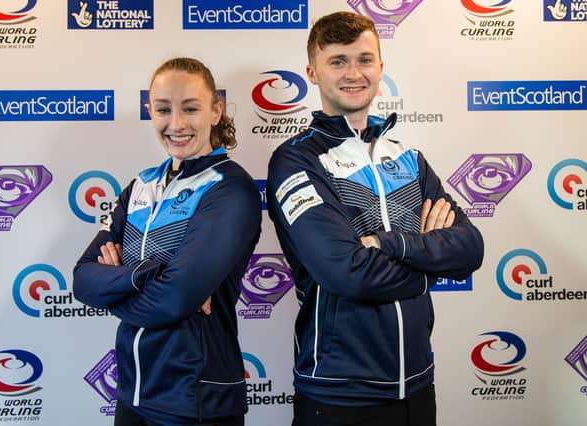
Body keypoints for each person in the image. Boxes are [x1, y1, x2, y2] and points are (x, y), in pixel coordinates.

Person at [266, 11, 484, 426]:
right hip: (338, 392)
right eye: (338, 61)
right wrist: (429, 271)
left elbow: (470, 247)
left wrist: (390, 243)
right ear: (312, 73)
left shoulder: (408, 158)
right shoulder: (297, 160)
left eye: (364, 59)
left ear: (381, 68)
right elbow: (347, 272)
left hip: (418, 385)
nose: (354, 73)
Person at [73, 57, 261, 426]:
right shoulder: (141, 186)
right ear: (151, 112)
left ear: (215, 111)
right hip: (134, 393)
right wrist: (149, 274)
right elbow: (82, 278)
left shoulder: (230, 189)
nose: (176, 124)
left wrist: (116, 289)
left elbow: (175, 298)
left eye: (190, 108)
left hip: (197, 399)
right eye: (163, 109)